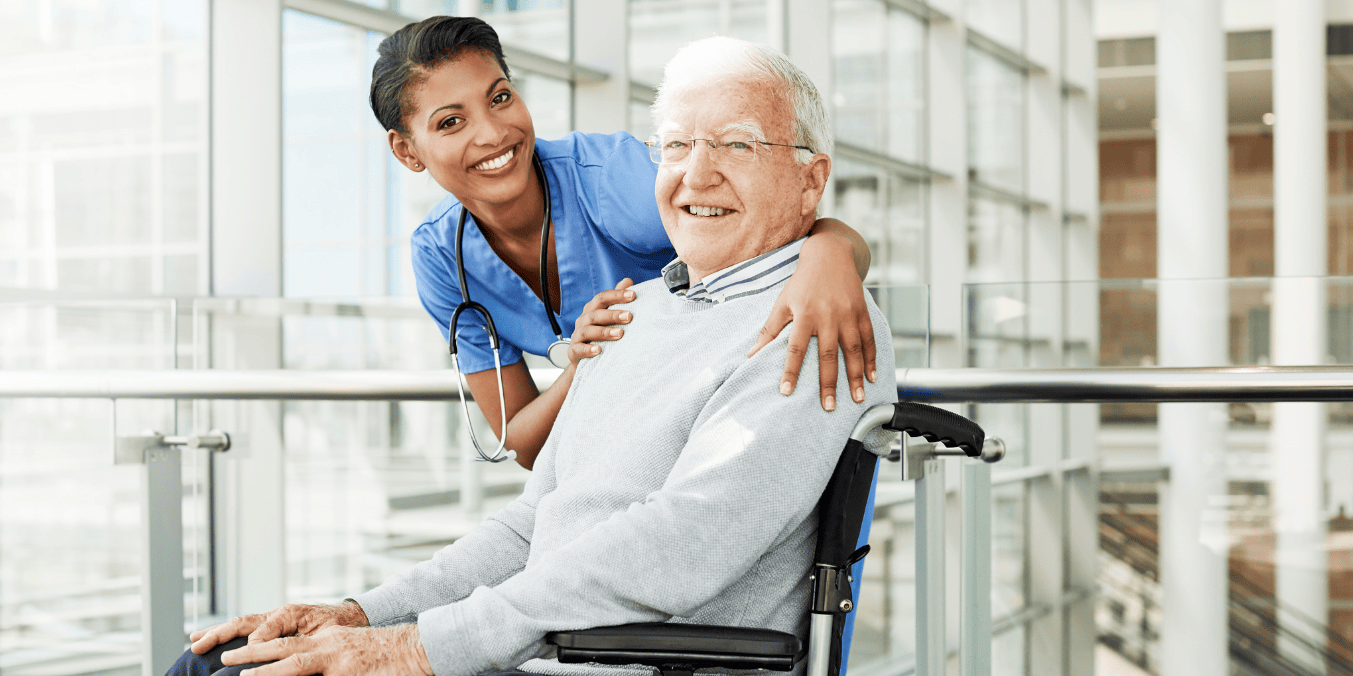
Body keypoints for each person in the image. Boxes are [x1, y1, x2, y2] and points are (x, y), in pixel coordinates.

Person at [170, 36, 897, 676]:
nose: (696, 174)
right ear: (409, 149)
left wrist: (419, 649)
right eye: (675, 145)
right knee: (211, 661)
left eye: (737, 144)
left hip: (620, 659)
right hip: (538, 645)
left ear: (809, 178)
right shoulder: (631, 312)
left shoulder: (812, 323)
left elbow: (682, 544)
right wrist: (360, 616)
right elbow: (530, 519)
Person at [372, 16, 881, 468]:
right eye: (451, 122)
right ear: (406, 150)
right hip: (615, 452)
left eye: (500, 97)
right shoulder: (442, 255)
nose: (492, 133)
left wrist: (833, 251)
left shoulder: (615, 183)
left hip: (731, 416)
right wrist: (585, 362)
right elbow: (522, 441)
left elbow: (785, 215)